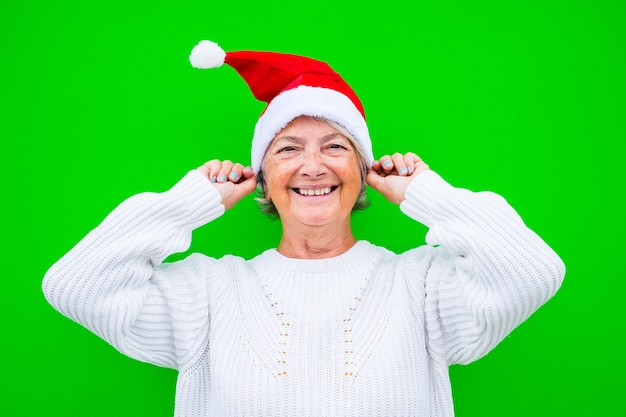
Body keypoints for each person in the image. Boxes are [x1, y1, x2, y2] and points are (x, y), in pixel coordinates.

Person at [42, 40, 565, 417]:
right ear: (263, 181)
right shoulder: (206, 292)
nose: (312, 166)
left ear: (362, 176)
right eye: (288, 148)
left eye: (335, 147)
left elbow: (534, 272)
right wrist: (188, 203)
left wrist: (431, 196)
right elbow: (74, 285)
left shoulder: (423, 285)